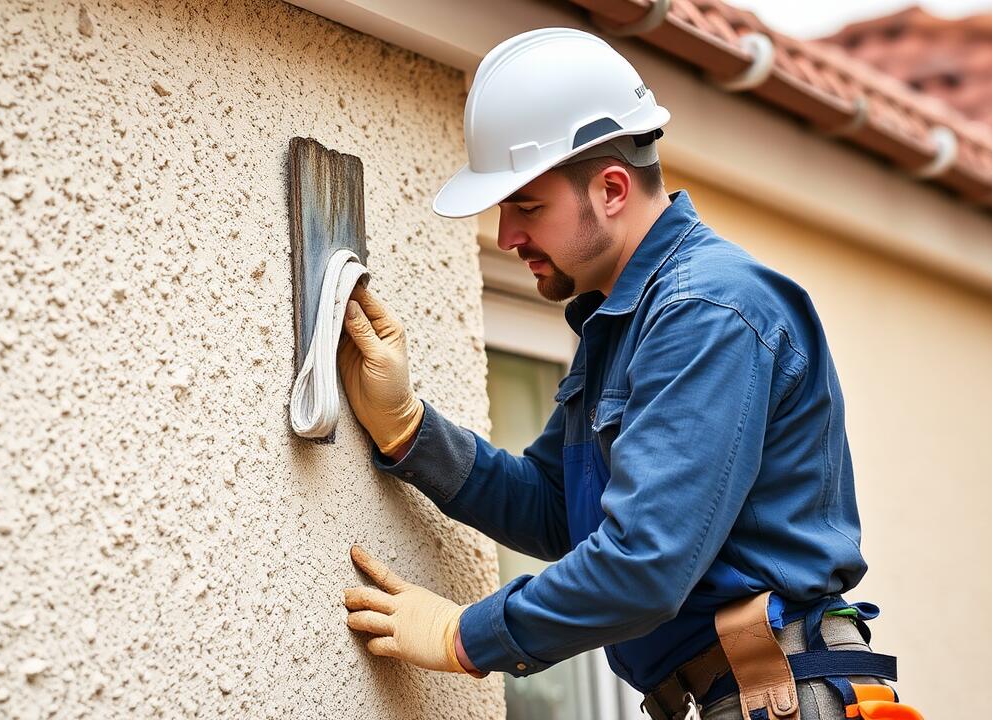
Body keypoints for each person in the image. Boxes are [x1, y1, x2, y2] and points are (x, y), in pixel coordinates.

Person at [337, 27, 921, 720]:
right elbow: (558, 509)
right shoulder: (624, 323)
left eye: (527, 206)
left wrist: (463, 636)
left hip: (776, 692)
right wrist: (407, 429)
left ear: (612, 188)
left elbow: (644, 565)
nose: (507, 237)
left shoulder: (706, 313)